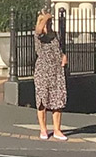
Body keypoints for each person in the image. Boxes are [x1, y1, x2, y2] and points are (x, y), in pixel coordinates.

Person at [32, 10, 69, 141]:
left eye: (49, 22)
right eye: (46, 22)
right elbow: (39, 29)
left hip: (56, 71)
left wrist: (63, 57)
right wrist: (45, 16)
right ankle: (43, 129)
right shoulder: (39, 35)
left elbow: (59, 50)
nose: (48, 24)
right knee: (42, 100)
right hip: (43, 71)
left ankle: (57, 130)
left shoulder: (55, 36)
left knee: (57, 100)